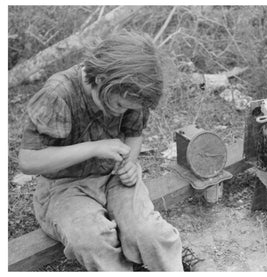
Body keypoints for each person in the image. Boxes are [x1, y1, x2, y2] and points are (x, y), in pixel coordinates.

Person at [18, 31, 187, 271]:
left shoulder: (131, 91)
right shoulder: (59, 93)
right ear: (101, 80)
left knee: (150, 234)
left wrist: (130, 162)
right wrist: (94, 148)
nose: (120, 112)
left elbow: (133, 133)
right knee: (92, 240)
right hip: (65, 187)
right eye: (118, 105)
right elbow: (28, 161)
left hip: (114, 176)